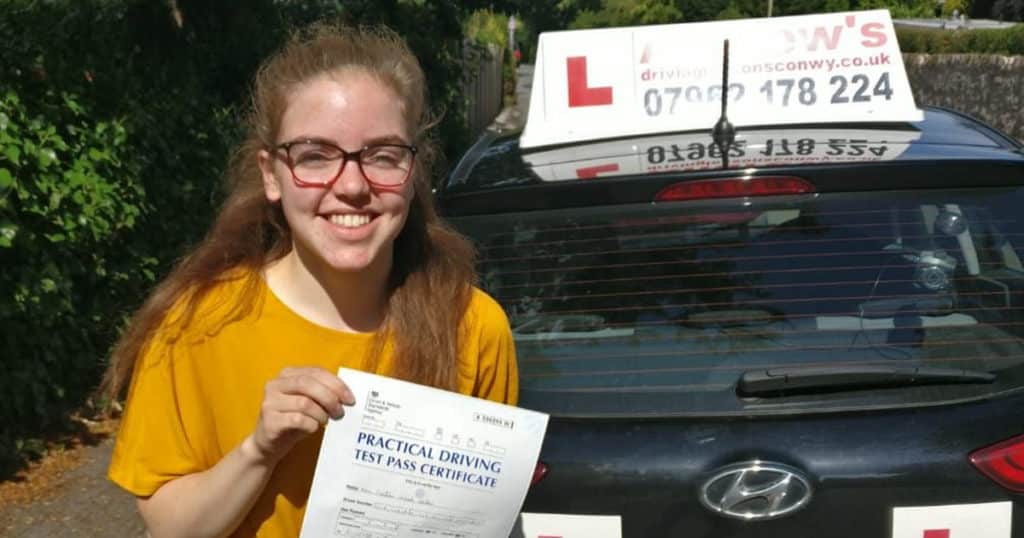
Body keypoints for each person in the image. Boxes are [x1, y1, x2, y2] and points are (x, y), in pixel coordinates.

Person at [101, 23, 518, 538]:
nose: (352, 185)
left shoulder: (473, 328)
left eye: (383, 155)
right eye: (315, 156)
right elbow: (171, 530)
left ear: (413, 174)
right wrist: (259, 450)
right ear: (271, 174)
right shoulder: (194, 326)